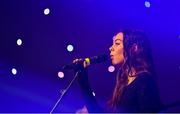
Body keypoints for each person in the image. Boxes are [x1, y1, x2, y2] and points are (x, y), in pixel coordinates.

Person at [74, 29, 162, 113]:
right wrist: (83, 80)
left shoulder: (145, 81)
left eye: (117, 43)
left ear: (134, 48)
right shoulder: (122, 83)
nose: (110, 48)